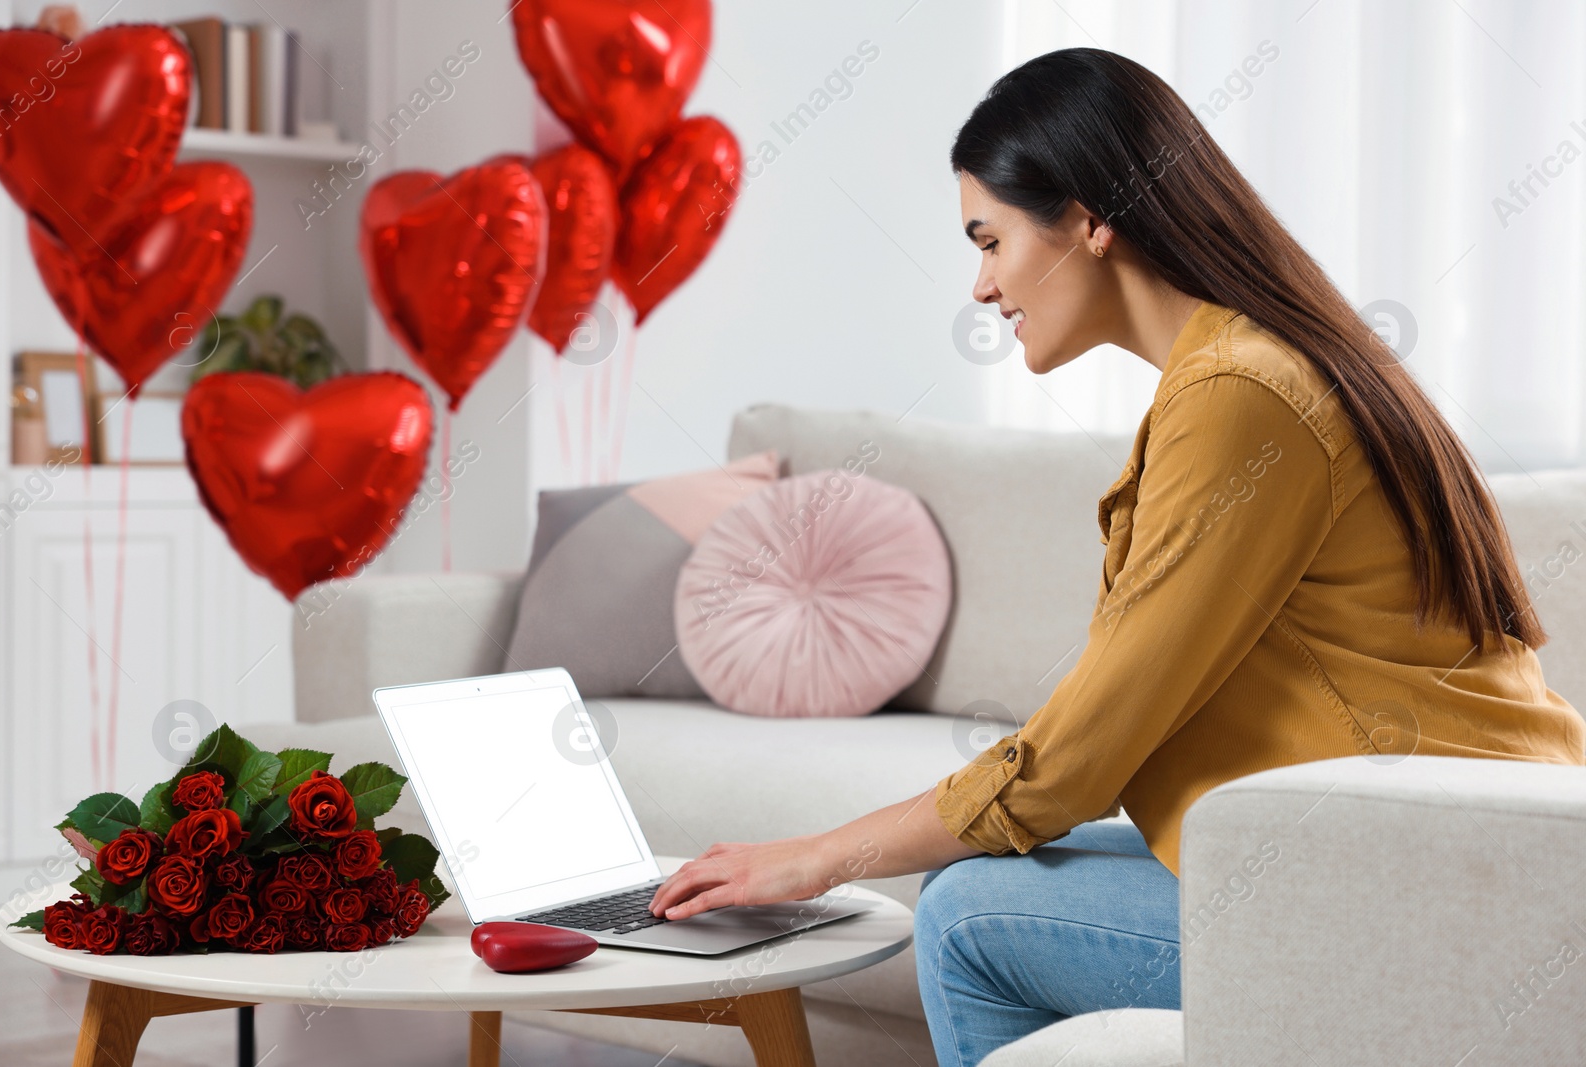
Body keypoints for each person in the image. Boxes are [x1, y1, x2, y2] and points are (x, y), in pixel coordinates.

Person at [648, 47, 1586, 1067]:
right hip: (1441, 857)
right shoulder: (1257, 365)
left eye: (990, 238)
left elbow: (1073, 759)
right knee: (989, 883)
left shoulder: (1244, 397)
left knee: (968, 917)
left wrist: (815, 856)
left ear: (1091, 218)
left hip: (1426, 890)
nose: (981, 284)